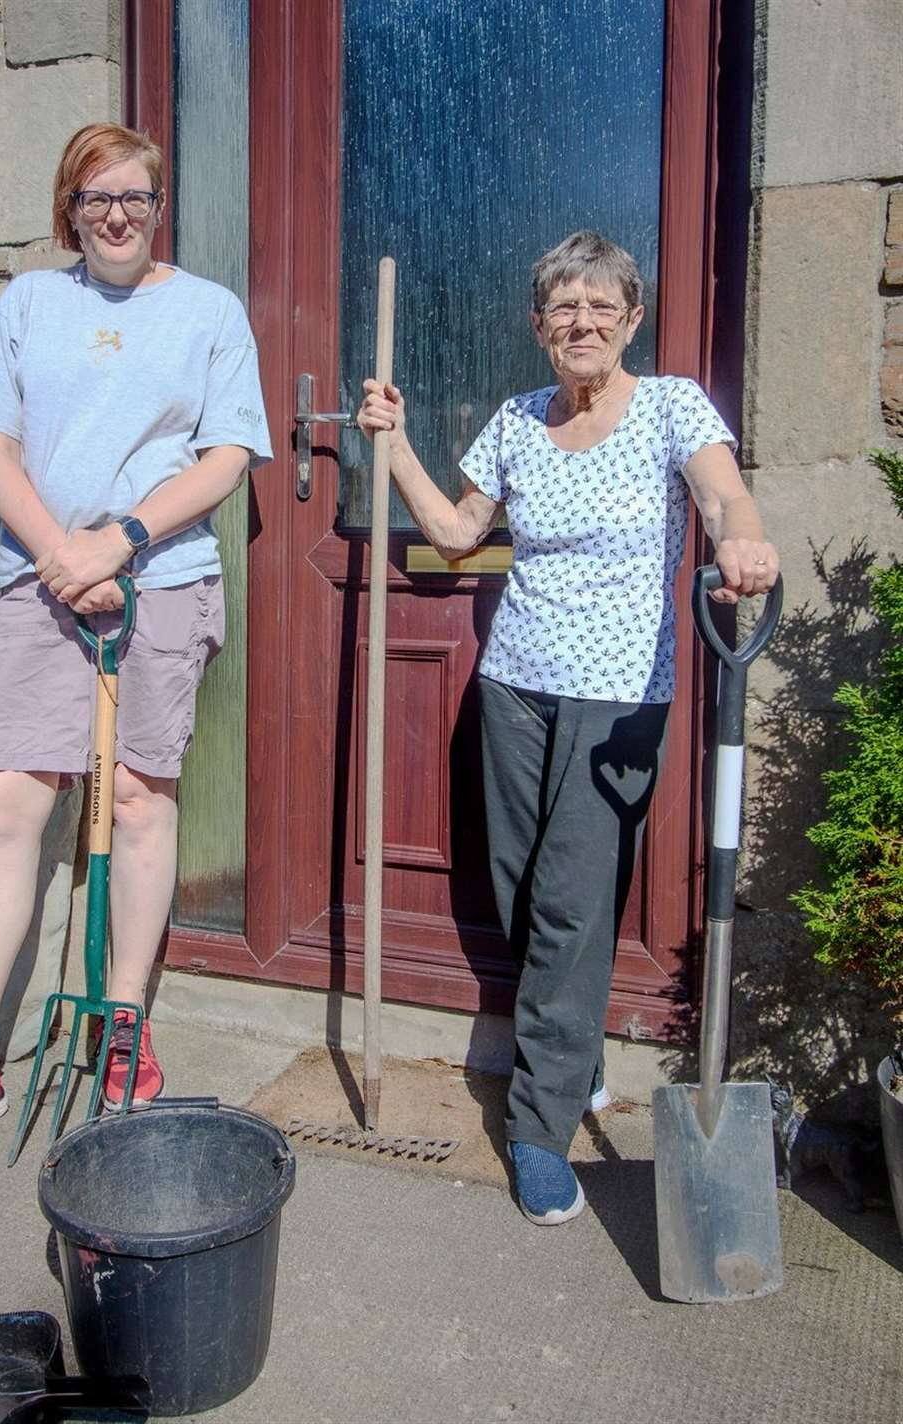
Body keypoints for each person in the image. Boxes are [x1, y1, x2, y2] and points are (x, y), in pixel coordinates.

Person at [0, 123, 272, 1158]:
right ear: (69, 210)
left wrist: (121, 540)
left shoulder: (210, 311)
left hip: (160, 578)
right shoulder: (35, 303)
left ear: (158, 205)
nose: (117, 215)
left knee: (135, 794)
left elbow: (225, 459)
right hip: (44, 581)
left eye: (135, 197)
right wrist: (61, 554)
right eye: (97, 200)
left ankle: (125, 1018)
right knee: (5, 798)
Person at [357, 230, 779, 1225]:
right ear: (538, 325)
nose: (581, 321)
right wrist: (393, 446)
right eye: (563, 307)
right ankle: (576, 1054)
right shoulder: (514, 419)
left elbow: (721, 490)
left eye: (602, 306)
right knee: (518, 889)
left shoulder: (672, 406)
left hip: (620, 698)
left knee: (573, 904)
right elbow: (459, 534)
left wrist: (744, 537)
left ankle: (537, 1127)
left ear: (631, 318)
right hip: (512, 687)